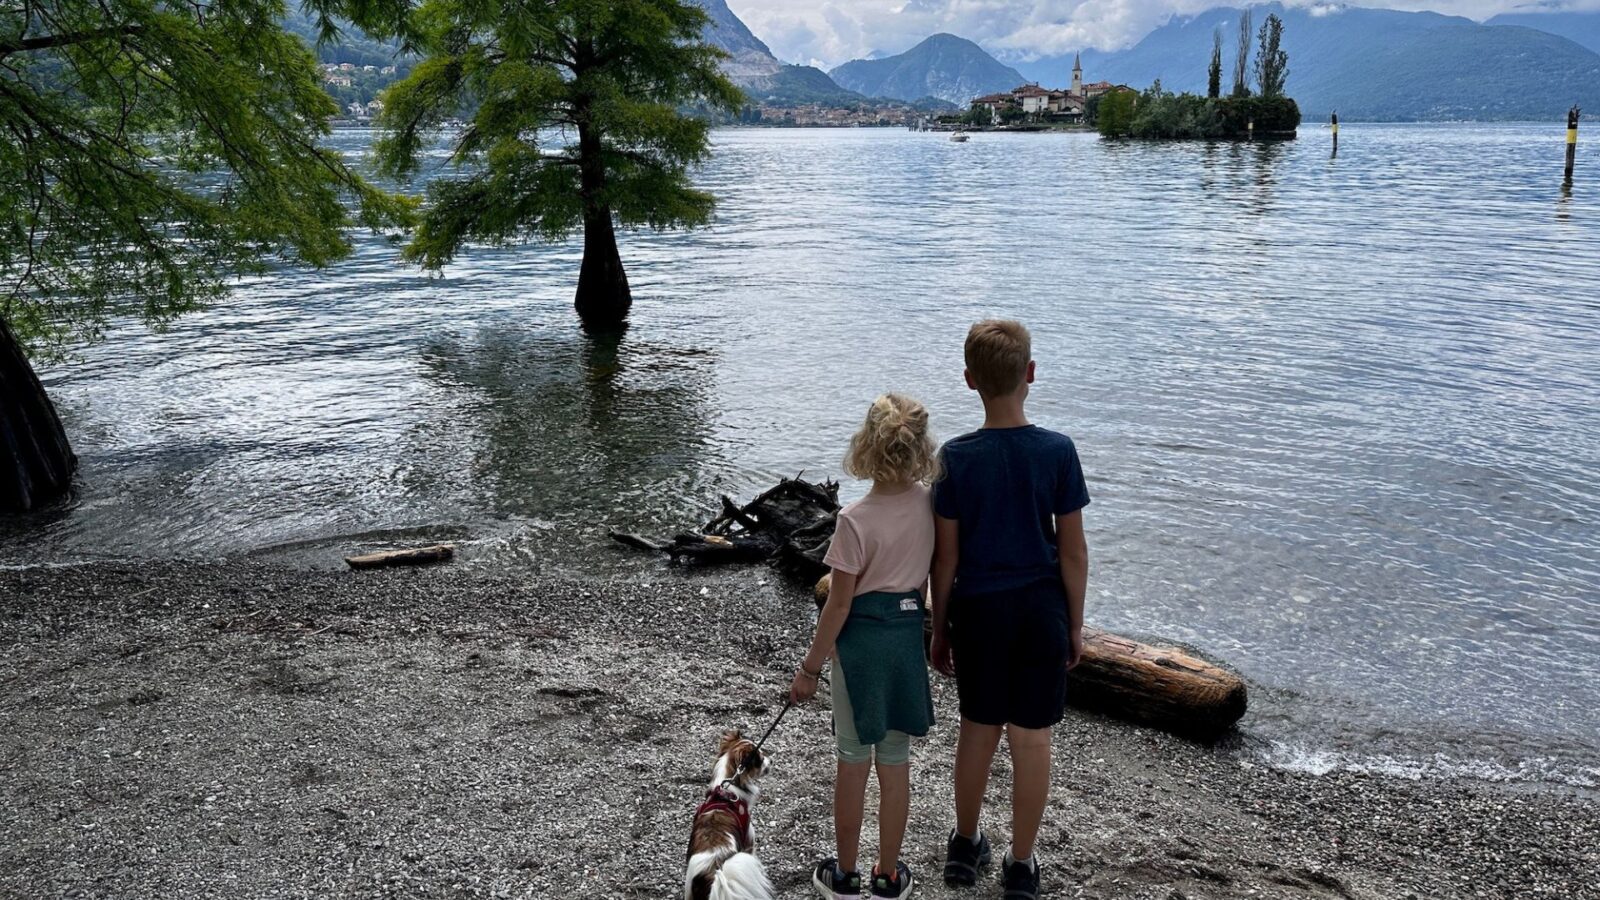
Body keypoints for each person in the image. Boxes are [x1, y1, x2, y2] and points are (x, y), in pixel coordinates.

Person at [928, 320, 1090, 900]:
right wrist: (1073, 624)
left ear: (970, 380)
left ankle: (964, 846)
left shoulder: (955, 458)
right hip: (1039, 610)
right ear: (1030, 374)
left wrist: (939, 627)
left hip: (979, 612)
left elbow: (944, 560)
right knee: (1032, 740)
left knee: (977, 731)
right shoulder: (1057, 451)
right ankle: (1021, 863)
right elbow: (1072, 551)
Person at [790, 393, 941, 900]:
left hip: (858, 649)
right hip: (903, 643)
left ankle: (847, 874)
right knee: (895, 760)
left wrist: (810, 669)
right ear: (921, 448)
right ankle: (889, 875)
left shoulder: (854, 519)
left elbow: (838, 606)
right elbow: (931, 582)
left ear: (866, 447)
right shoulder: (931, 506)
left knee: (852, 759)